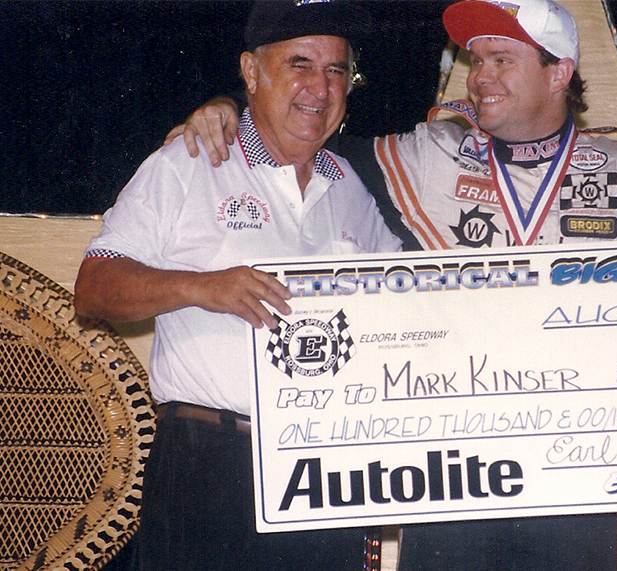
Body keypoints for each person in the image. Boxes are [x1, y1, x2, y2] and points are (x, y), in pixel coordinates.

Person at [166, 2, 617, 569]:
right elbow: (301, 134)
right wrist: (225, 105)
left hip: (573, 478)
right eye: (474, 59)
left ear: (560, 74)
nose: (479, 76)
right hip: (457, 476)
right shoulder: (425, 155)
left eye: (501, 59)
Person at [73, 2, 402, 570]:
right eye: (300, 64)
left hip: (321, 470)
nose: (319, 88)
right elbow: (93, 287)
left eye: (336, 70)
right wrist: (203, 287)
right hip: (209, 464)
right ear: (251, 72)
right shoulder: (190, 160)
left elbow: (403, 303)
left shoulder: (348, 184)